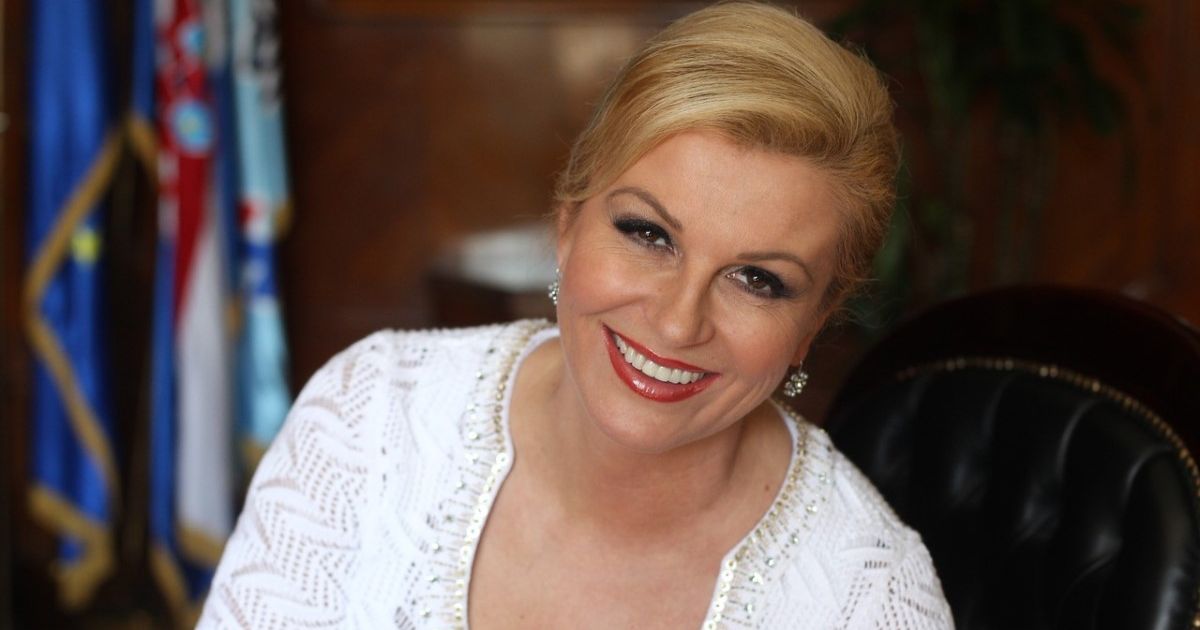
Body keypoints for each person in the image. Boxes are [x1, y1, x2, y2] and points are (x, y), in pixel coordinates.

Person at [199, 2, 953, 628]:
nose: (677, 323)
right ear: (566, 223)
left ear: (812, 326)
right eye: (648, 234)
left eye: (757, 280)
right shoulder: (368, 420)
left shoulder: (869, 601)